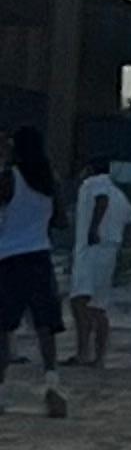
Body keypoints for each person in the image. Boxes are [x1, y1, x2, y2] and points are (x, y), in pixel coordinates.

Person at [0, 126, 66, 417]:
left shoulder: (9, 177)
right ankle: (52, 382)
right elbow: (61, 220)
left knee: (4, 327)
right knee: (45, 326)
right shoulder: (50, 180)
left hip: (9, 258)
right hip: (40, 255)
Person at [64, 155, 131, 373]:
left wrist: (94, 228)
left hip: (92, 248)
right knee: (98, 306)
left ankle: (83, 352)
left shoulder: (95, 183)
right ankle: (99, 356)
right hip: (109, 250)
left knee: (79, 301)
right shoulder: (120, 193)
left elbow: (101, 200)